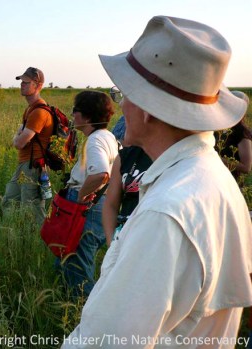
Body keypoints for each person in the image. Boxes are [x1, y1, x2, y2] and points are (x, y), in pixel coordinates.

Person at [63, 16, 252, 346]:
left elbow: (107, 342)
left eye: (126, 94)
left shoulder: (165, 213)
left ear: (149, 107)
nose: (121, 104)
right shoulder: (212, 177)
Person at [54, 90, 118, 298]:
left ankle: (83, 315)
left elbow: (101, 174)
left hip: (88, 208)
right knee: (68, 259)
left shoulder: (95, 141)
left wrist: (81, 195)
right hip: (102, 205)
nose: (72, 115)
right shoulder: (108, 136)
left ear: (87, 116)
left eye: (75, 111)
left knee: (78, 268)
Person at [1, 67, 53, 226]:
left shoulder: (39, 112)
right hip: (25, 164)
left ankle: (40, 242)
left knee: (33, 209)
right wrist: (19, 134)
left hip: (33, 166)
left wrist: (17, 134)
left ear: (38, 85)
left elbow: (19, 142)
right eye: (21, 82)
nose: (22, 85)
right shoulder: (30, 109)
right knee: (9, 201)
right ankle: (11, 235)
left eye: (26, 82)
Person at [102, 120, 152, 246]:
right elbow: (111, 205)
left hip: (153, 245)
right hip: (124, 242)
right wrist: (112, 245)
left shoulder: (175, 158)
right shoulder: (126, 156)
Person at [215, 90, 251, 184]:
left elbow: (246, 167)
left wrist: (217, 159)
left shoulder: (242, 133)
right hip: (214, 180)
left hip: (231, 184)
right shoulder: (218, 127)